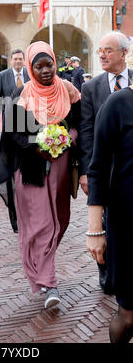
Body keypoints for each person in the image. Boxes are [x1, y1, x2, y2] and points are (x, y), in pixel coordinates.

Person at [0, 41, 80, 308]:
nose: (45, 71)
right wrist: (39, 144)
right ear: (31, 68)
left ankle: (42, 270)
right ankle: (50, 284)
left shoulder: (68, 90)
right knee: (40, 224)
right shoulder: (20, 94)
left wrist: (65, 138)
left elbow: (80, 124)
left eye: (49, 65)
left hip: (60, 166)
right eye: (39, 66)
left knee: (60, 220)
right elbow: (13, 133)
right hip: (30, 169)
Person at [79, 30, 133, 294]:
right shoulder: (91, 87)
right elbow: (87, 131)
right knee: (104, 222)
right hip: (103, 169)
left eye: (108, 50)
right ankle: (106, 272)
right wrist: (86, 171)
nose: (102, 54)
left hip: (127, 169)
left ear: (124, 53)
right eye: (99, 50)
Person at [87, 86, 133, 343]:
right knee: (128, 317)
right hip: (127, 227)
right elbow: (98, 169)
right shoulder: (117, 104)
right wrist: (95, 230)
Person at [0, 49, 30, 233]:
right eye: (15, 59)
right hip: (9, 128)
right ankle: (16, 222)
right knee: (11, 175)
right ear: (11, 61)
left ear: (24, 61)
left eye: (20, 59)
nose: (18, 62)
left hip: (28, 126)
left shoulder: (30, 73)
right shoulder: (2, 76)